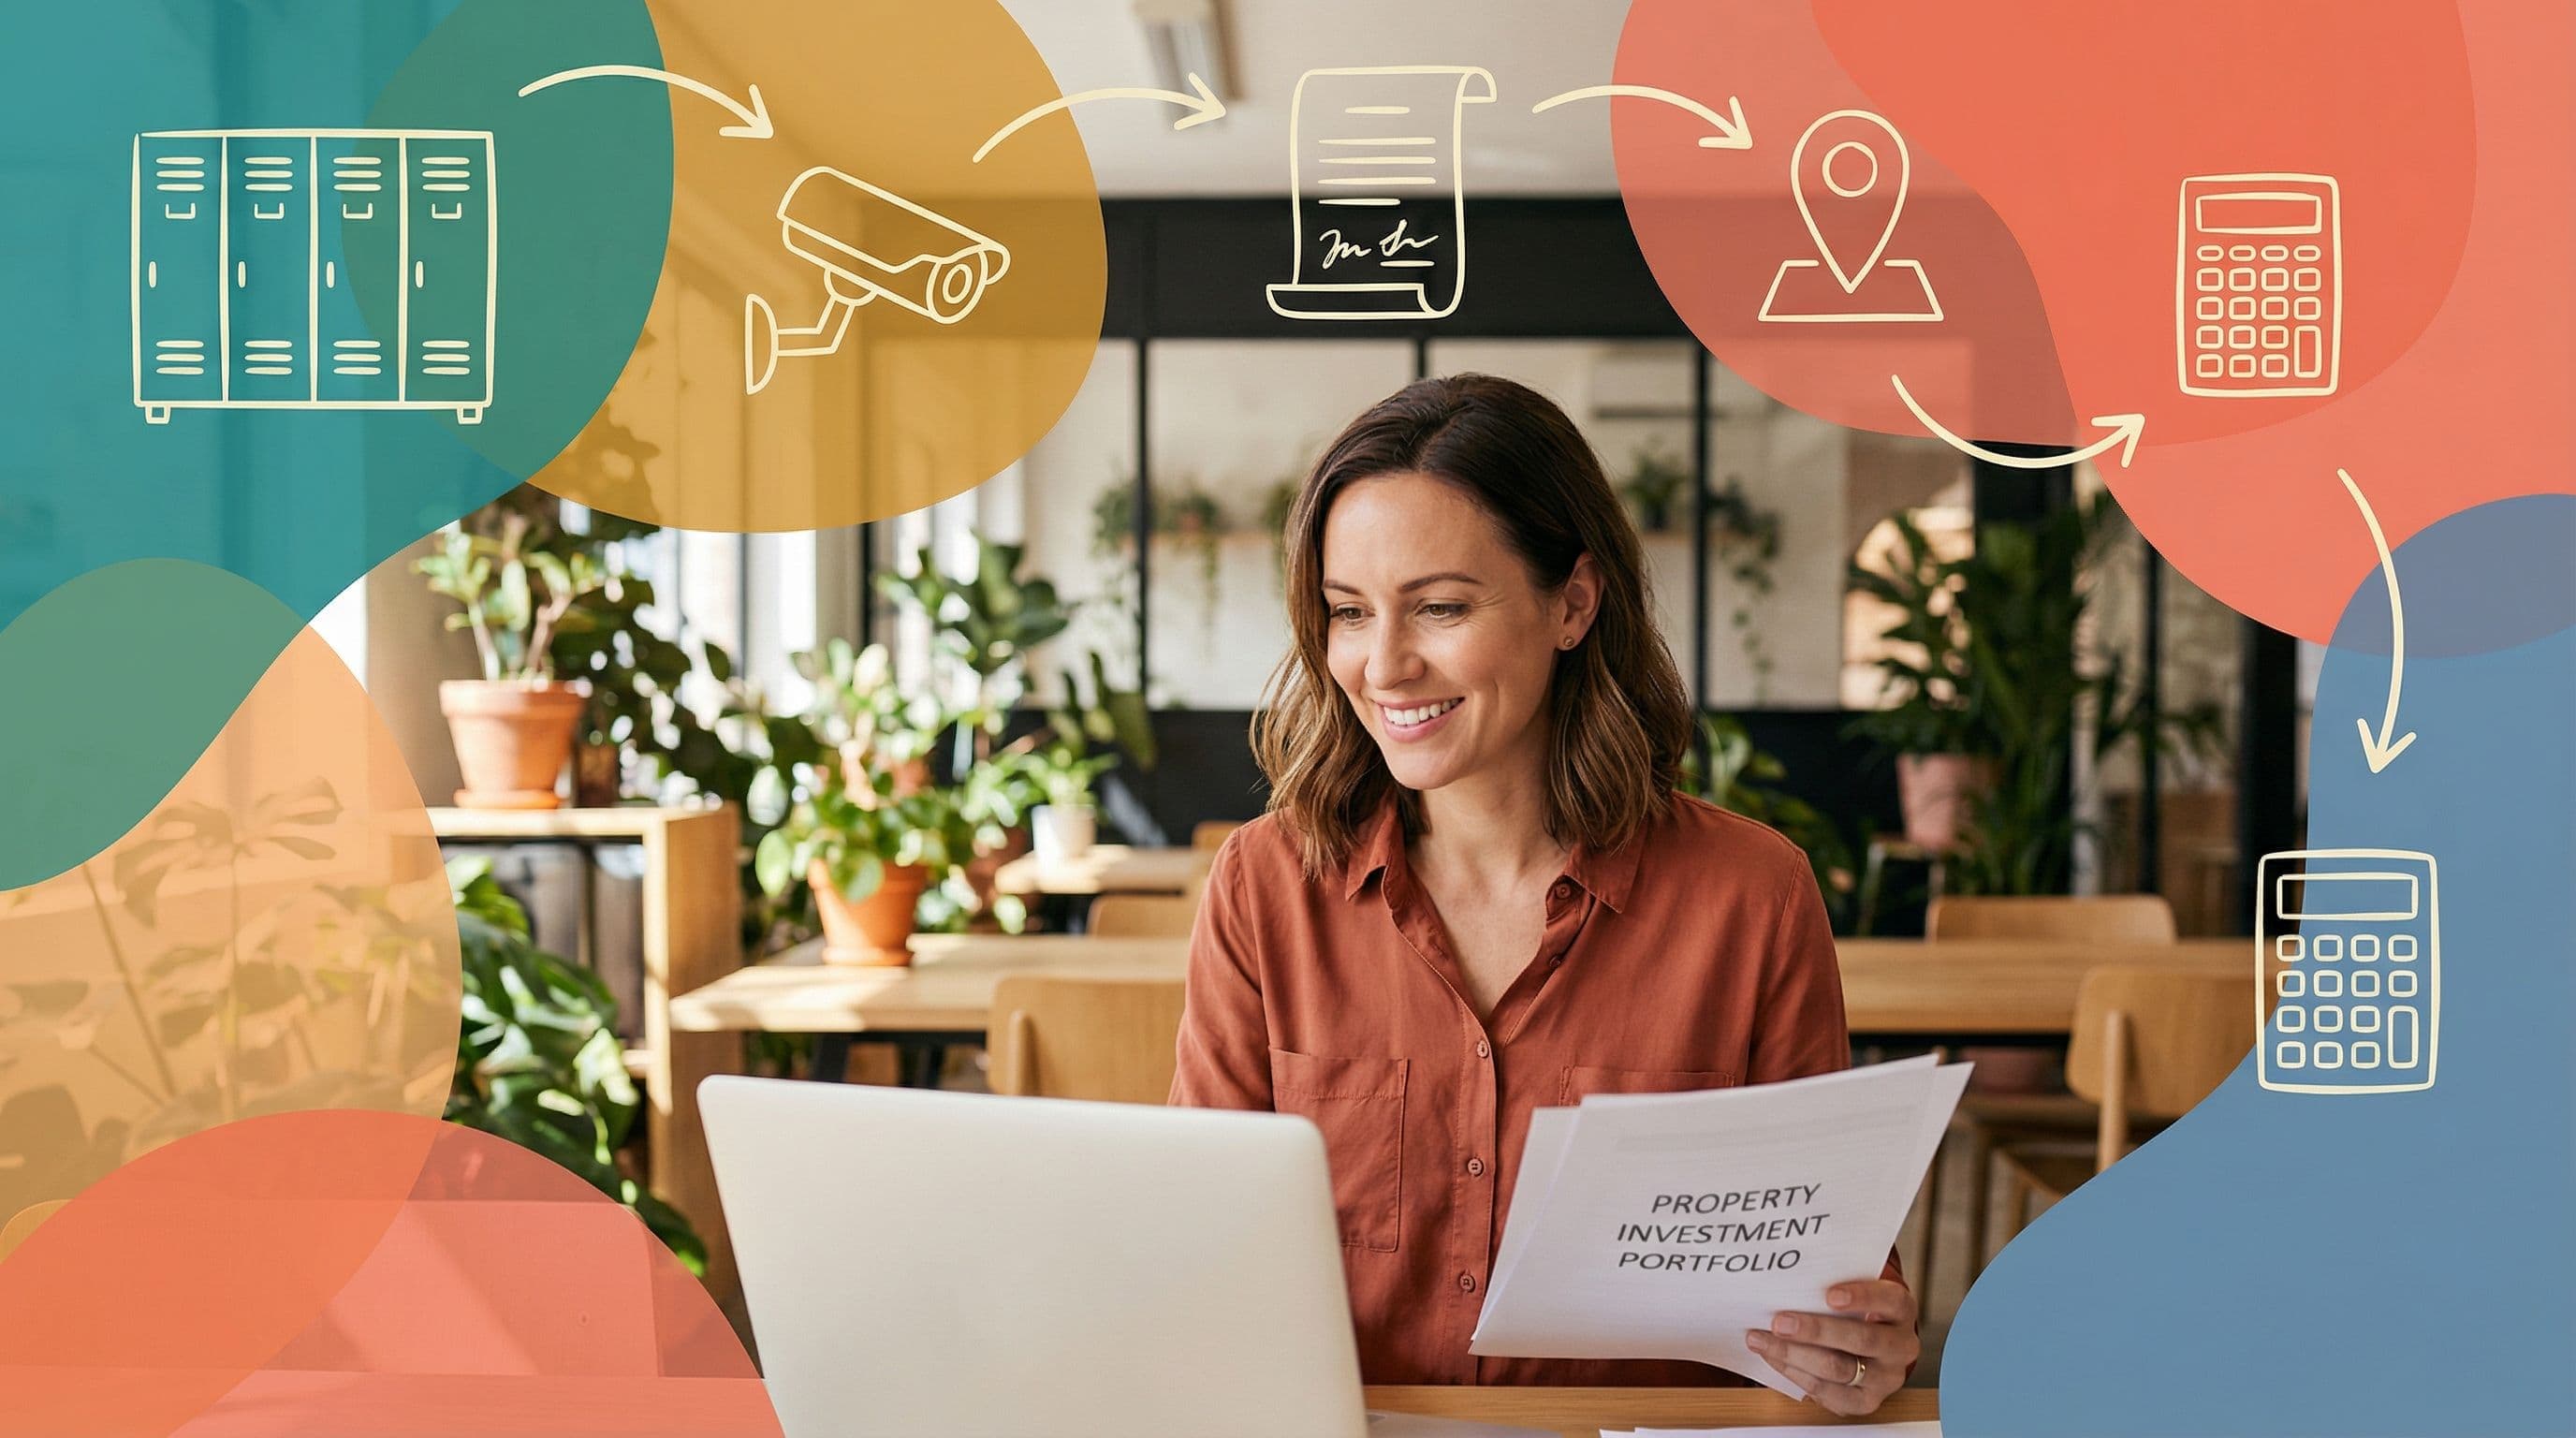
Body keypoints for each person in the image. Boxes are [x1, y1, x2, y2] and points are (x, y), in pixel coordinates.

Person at [1168, 374, 1915, 1412]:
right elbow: (1199, 1245)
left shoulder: (1750, 897)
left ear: (1572, 602)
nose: (1384, 664)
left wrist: (1851, 1342)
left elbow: (1828, 1278)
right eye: (1347, 613)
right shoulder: (1265, 888)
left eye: (1439, 606)